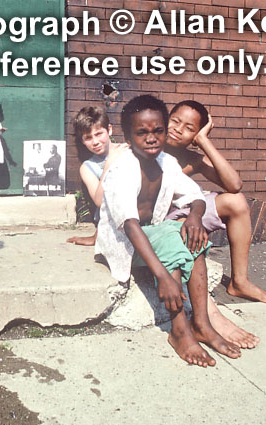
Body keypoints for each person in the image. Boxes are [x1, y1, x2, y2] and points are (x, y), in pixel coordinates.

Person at [96, 94, 242, 366]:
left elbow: (195, 195)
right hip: (125, 242)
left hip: (153, 233)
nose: (151, 138)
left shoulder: (167, 162)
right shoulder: (122, 168)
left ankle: (201, 323)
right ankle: (179, 331)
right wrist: (163, 276)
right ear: (128, 136)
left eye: (158, 131)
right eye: (142, 133)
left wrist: (195, 217)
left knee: (191, 235)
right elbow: (129, 225)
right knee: (170, 239)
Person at [164, 100, 266, 306]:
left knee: (235, 201)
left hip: (180, 213)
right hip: (154, 222)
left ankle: (240, 282)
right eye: (175, 121)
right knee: (184, 218)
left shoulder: (192, 159)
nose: (178, 129)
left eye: (189, 128)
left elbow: (235, 184)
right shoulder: (146, 145)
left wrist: (203, 141)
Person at [66, 106, 128, 246]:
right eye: (88, 138)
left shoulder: (126, 150)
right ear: (82, 141)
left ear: (109, 130)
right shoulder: (88, 167)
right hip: (111, 222)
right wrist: (108, 165)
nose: (95, 142)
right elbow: (99, 201)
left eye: (99, 134)